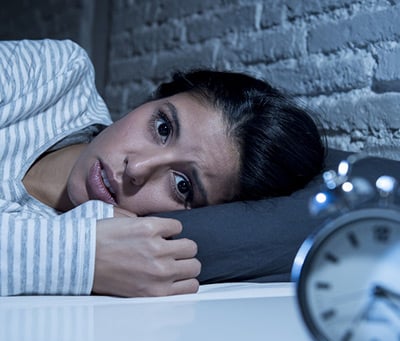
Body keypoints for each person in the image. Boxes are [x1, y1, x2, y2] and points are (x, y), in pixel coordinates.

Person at [0, 39, 325, 297]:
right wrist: (81, 259)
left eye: (183, 185)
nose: (137, 168)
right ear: (149, 100)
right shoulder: (56, 76)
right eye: (163, 127)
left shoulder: (125, 256)